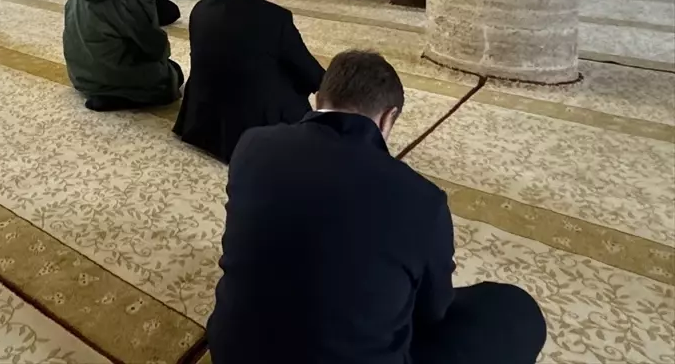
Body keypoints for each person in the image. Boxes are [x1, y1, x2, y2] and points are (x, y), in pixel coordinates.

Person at [208, 50, 547, 364]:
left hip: (231, 353)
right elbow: (432, 311)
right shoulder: (421, 199)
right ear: (387, 118)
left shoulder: (253, 145)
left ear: (319, 99)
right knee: (513, 310)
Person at [173, 0, 323, 162]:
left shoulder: (201, 8)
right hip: (250, 126)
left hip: (200, 118)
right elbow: (307, 70)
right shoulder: (276, 17)